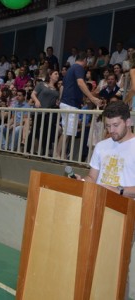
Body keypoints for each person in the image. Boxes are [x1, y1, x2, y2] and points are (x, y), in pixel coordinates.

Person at [74, 101, 135, 299]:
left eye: (116, 125)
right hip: (97, 210)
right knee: (92, 261)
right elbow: (93, 177)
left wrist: (118, 190)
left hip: (125, 214)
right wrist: (84, 181)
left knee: (117, 268)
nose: (111, 130)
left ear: (128, 121)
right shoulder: (101, 146)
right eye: (108, 126)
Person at [56, 51, 101, 158]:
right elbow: (81, 83)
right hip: (70, 103)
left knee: (68, 131)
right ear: (85, 60)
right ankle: (57, 155)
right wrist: (92, 98)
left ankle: (61, 155)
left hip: (67, 102)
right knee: (67, 132)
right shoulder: (79, 68)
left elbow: (67, 87)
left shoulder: (70, 70)